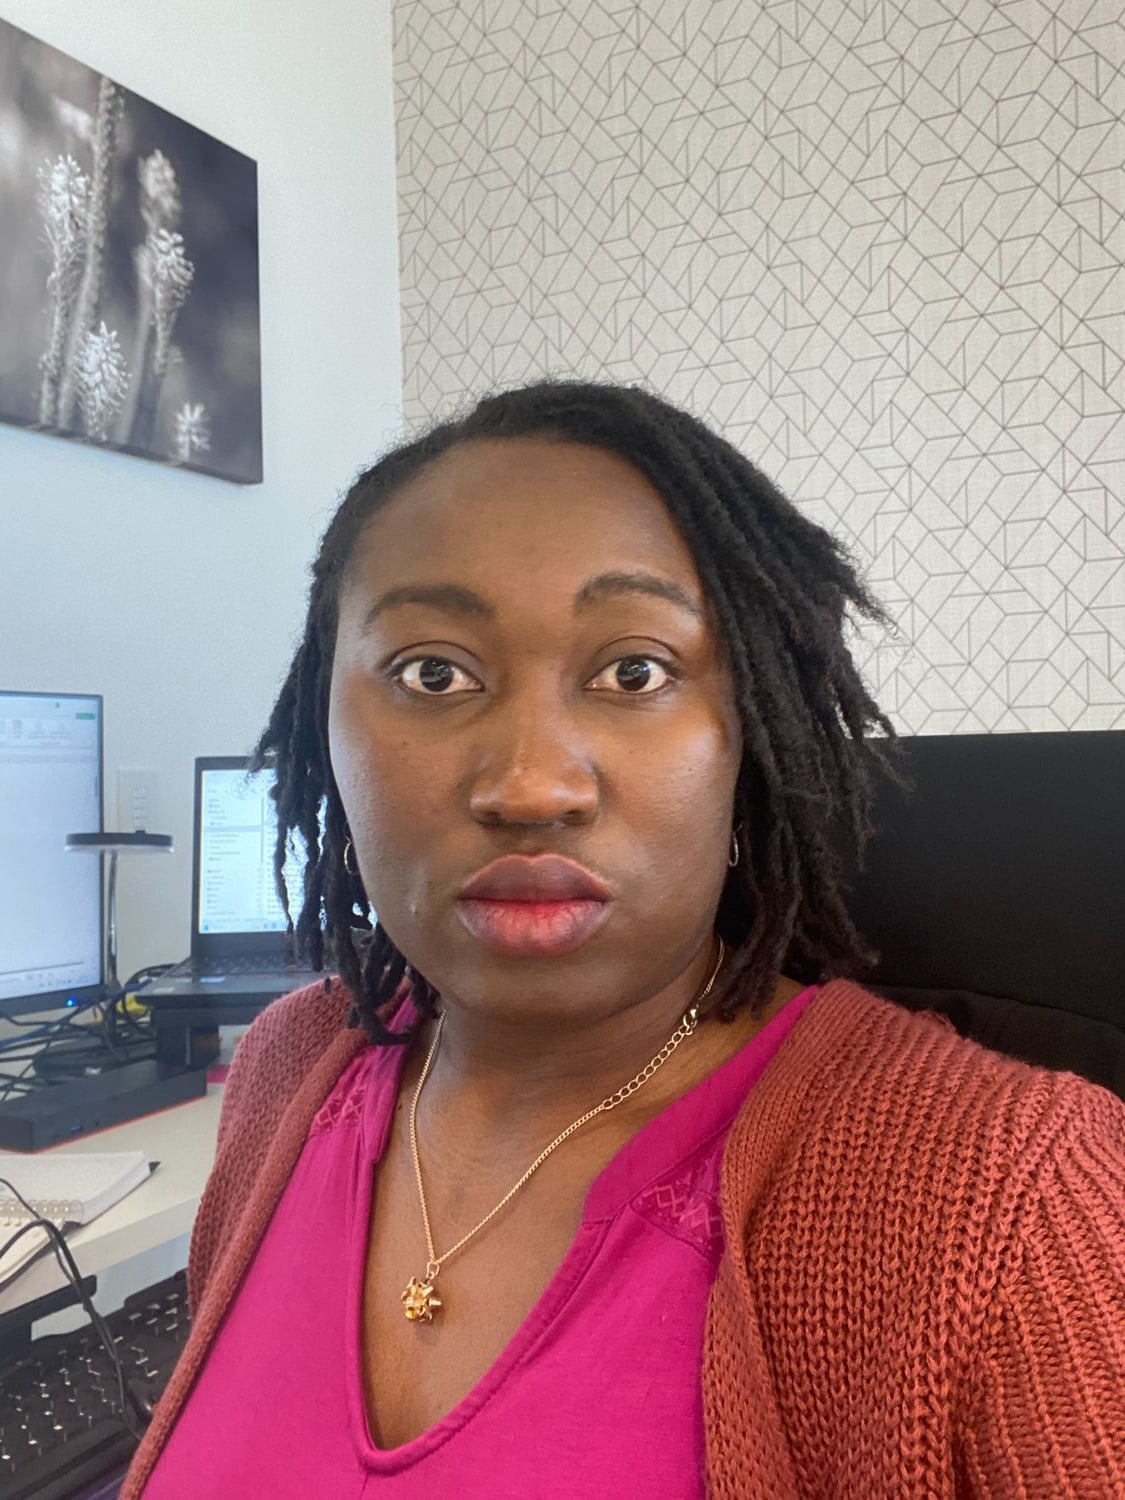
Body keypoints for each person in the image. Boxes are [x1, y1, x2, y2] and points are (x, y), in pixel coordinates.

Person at [124, 381, 1124, 1498]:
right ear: (325, 728)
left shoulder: (1015, 1207)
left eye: (633, 671)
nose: (530, 787)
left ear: (751, 738)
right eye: (432, 672)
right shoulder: (285, 1071)